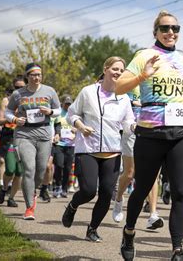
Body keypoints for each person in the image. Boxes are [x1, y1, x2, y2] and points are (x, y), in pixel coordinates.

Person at [115, 10, 183, 261]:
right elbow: (119, 86)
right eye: (165, 28)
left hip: (180, 133)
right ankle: (129, 232)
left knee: (180, 193)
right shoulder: (143, 56)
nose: (171, 32)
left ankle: (177, 249)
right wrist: (142, 76)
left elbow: (180, 91)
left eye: (175, 28)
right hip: (150, 133)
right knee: (141, 189)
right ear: (155, 32)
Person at [60, 57, 134, 242]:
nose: (118, 73)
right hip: (88, 149)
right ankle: (72, 206)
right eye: (115, 69)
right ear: (106, 68)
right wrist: (81, 126)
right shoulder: (88, 92)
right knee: (88, 191)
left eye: (121, 70)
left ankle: (92, 229)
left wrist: (136, 127)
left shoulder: (124, 97)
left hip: (113, 150)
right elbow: (72, 114)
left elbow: (128, 123)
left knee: (107, 193)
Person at [5, 63, 61, 220]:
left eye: (39, 75)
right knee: (29, 169)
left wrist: (50, 111)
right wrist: (16, 119)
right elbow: (8, 111)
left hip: (44, 135)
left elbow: (58, 111)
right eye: (33, 75)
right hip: (24, 134)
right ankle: (29, 207)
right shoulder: (18, 94)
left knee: (41, 170)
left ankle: (34, 191)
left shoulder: (49, 91)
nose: (37, 77)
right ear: (27, 76)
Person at [0, 76, 26, 207]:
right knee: (10, 168)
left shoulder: (29, 100)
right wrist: (14, 119)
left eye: (21, 87)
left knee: (19, 171)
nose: (19, 90)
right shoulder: (6, 100)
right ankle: (3, 189)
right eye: (16, 87)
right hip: (9, 137)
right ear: (13, 87)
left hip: (24, 137)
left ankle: (11, 198)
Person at [112, 86, 140, 223]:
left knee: (151, 173)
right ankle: (118, 199)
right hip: (131, 130)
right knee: (129, 173)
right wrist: (134, 102)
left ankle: (153, 214)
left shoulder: (157, 81)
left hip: (151, 128)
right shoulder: (130, 81)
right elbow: (118, 100)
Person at [52, 95, 76, 198]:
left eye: (70, 104)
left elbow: (78, 126)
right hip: (59, 144)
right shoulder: (58, 113)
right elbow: (54, 125)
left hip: (71, 144)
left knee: (68, 168)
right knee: (59, 165)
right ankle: (57, 185)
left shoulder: (74, 114)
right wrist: (56, 134)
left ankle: (64, 188)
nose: (68, 106)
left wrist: (76, 131)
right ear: (62, 103)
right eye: (66, 103)